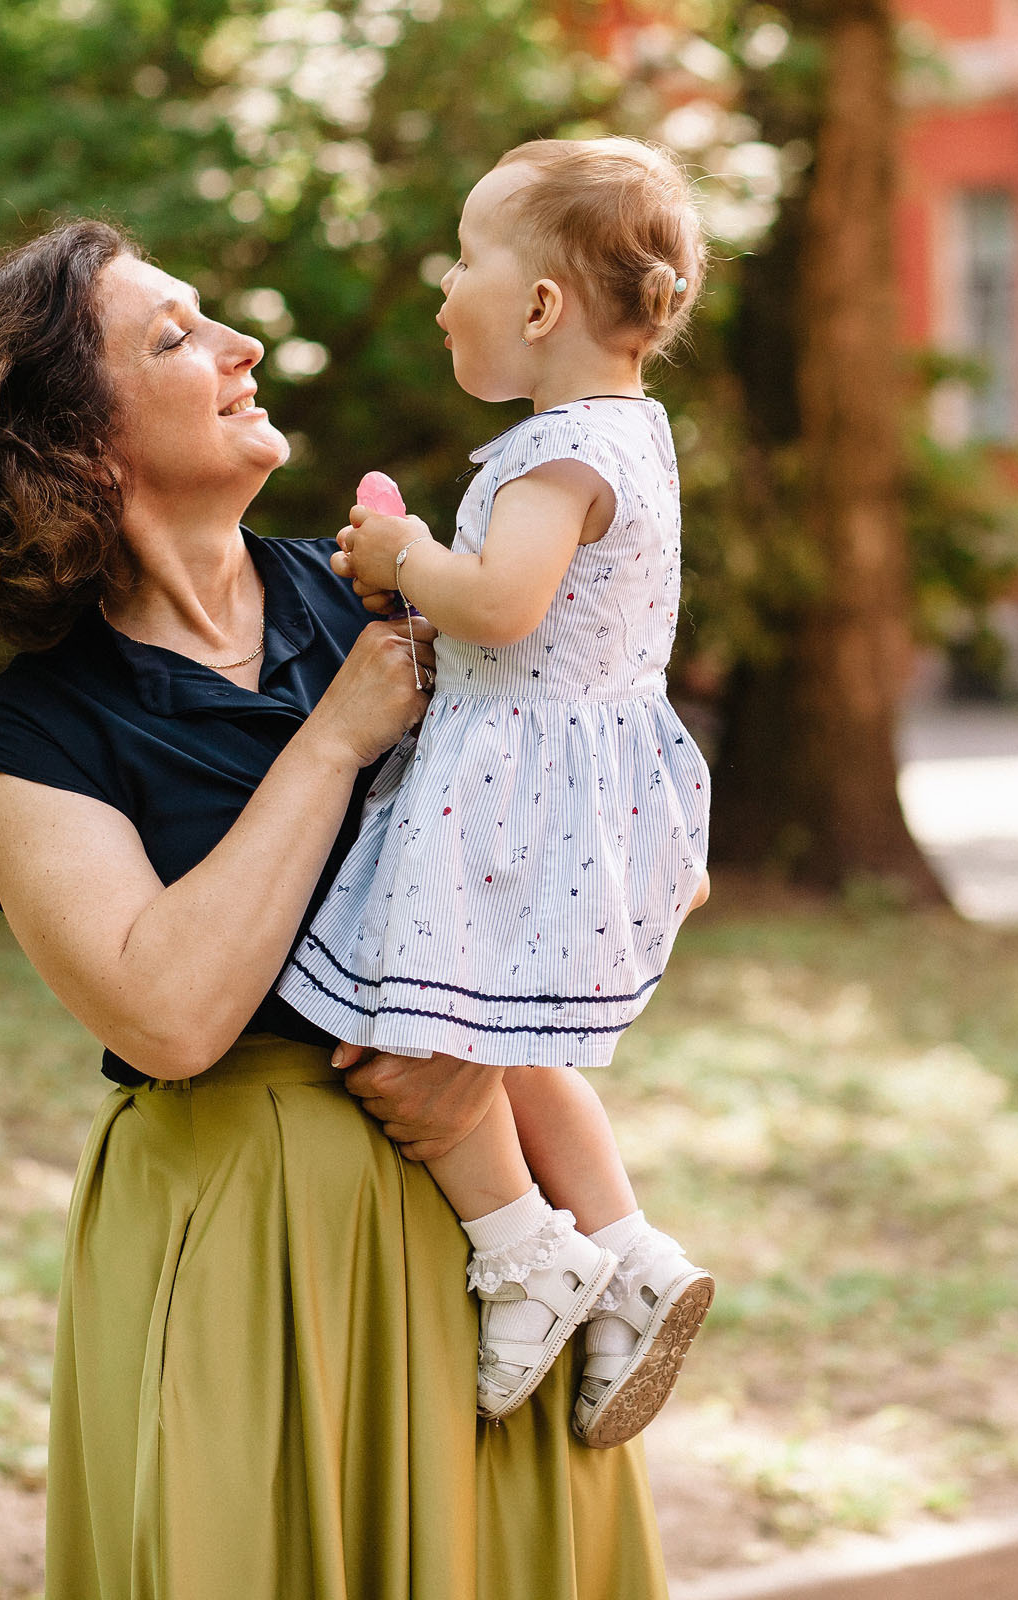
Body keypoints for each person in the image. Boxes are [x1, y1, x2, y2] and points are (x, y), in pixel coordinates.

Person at [0, 218, 669, 1598]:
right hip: (239, 1244)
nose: (240, 347)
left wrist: (475, 1056)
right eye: (174, 337)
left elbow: (601, 841)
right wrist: (335, 738)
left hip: (499, 1261)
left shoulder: (384, 593)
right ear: (75, 444)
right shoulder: (39, 736)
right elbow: (169, 1013)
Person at [274, 138, 715, 1450]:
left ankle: (525, 1247)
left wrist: (410, 555)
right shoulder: (627, 436)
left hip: (516, 786)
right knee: (506, 1030)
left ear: (540, 309)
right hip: (575, 779)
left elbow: (507, 606)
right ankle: (629, 1252)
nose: (441, 292)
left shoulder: (555, 458)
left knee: (410, 1025)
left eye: (464, 260)